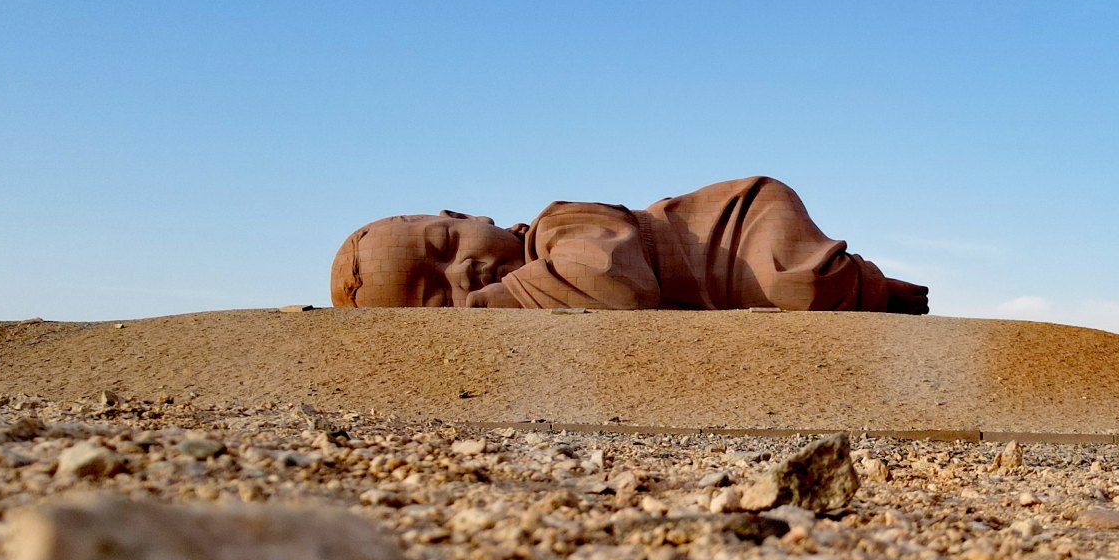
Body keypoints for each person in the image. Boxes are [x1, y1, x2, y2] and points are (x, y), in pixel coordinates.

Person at [330, 175, 928, 314]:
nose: (464, 269)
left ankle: (875, 285)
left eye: (444, 242)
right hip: (718, 288)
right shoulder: (536, 285)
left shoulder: (562, 222)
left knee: (792, 283)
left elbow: (615, 283)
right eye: (439, 296)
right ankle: (876, 292)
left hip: (737, 228)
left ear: (464, 215)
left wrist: (484, 307)